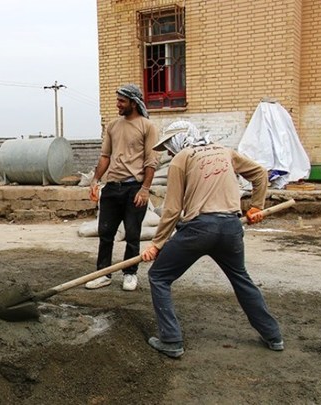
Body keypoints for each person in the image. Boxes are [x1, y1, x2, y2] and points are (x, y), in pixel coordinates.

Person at [140, 120, 283, 358]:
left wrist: (157, 244)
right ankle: (273, 335)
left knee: (159, 276)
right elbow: (259, 173)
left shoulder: (181, 158)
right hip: (230, 228)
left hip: (199, 229)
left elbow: (172, 209)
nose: (168, 151)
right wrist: (256, 206)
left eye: (169, 145)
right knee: (240, 279)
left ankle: (171, 340)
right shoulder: (224, 152)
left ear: (179, 139)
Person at [85, 84, 159, 291]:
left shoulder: (147, 126)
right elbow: (105, 156)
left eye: (121, 101)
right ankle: (103, 274)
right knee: (105, 232)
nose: (118, 104)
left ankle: (130, 273)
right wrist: (95, 180)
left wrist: (145, 189)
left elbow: (151, 161)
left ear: (133, 103)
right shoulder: (113, 126)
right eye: (118, 100)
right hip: (112, 188)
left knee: (133, 234)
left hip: (134, 189)